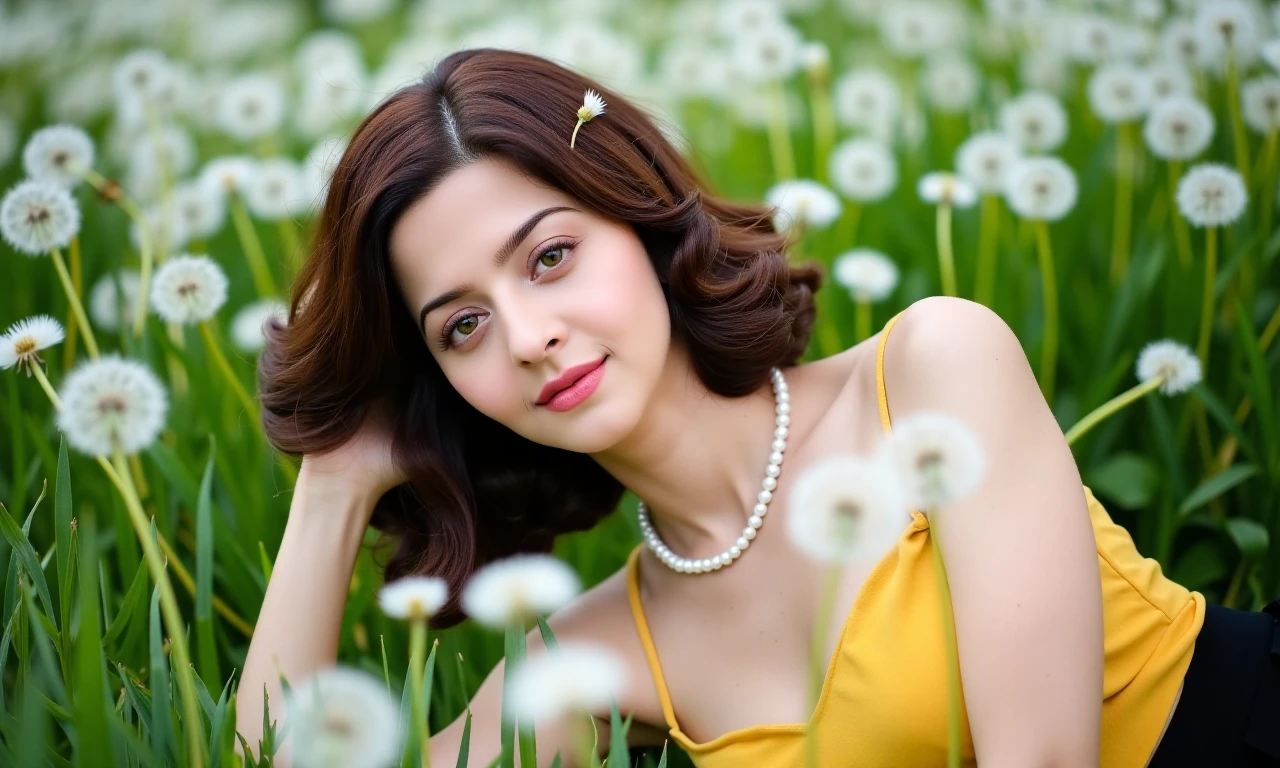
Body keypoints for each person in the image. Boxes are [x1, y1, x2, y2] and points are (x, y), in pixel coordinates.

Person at [236, 48, 1280, 767]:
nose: (523, 336)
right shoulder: (595, 653)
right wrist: (332, 484)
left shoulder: (929, 371)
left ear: (640, 221)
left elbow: (1044, 757)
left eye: (550, 256)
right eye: (458, 326)